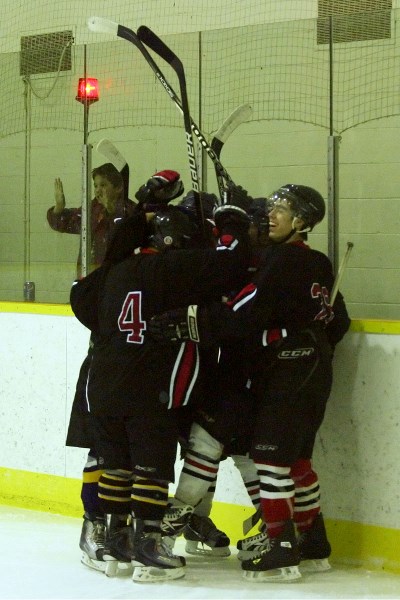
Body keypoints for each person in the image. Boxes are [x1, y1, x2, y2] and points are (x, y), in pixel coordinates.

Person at [148, 184, 351, 583]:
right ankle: (313, 541)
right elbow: (337, 323)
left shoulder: (283, 261)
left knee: (271, 459)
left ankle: (282, 546)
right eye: (271, 207)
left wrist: (195, 321)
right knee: (297, 462)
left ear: (303, 222)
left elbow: (245, 310)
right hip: (306, 365)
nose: (273, 215)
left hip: (290, 367)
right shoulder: (316, 263)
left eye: (283, 209)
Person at [69, 191, 253, 582]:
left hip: (103, 383)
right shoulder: (174, 270)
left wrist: (139, 213)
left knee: (115, 465)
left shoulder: (115, 270)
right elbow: (231, 265)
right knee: (152, 467)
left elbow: (80, 297)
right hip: (146, 387)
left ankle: (117, 535)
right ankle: (147, 543)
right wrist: (233, 221)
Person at [64, 165, 185, 573]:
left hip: (130, 370)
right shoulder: (114, 255)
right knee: (104, 452)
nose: (98, 191)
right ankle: (94, 526)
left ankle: (123, 530)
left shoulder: (148, 261)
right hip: (106, 365)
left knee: (128, 454)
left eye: (103, 185)